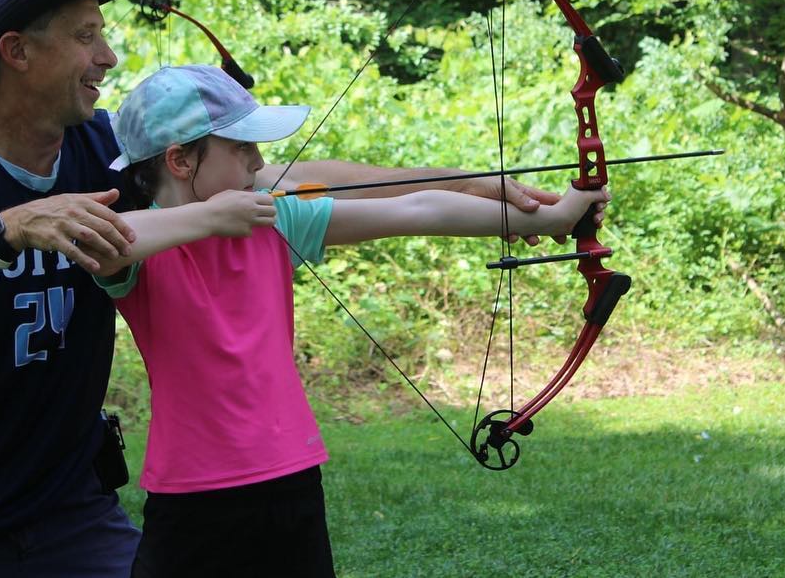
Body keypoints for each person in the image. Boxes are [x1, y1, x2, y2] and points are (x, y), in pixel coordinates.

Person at [0, 0, 561, 578]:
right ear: (18, 52)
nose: (108, 57)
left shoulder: (105, 154)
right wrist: (5, 232)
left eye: (104, 35)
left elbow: (294, 179)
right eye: (87, 37)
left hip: (64, 508)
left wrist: (472, 181)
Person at [93, 65, 606, 577]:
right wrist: (208, 218)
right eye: (242, 148)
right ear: (180, 160)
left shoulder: (275, 219)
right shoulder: (140, 248)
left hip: (290, 475)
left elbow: (417, 210)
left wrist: (556, 216)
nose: (260, 160)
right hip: (191, 492)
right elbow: (103, 240)